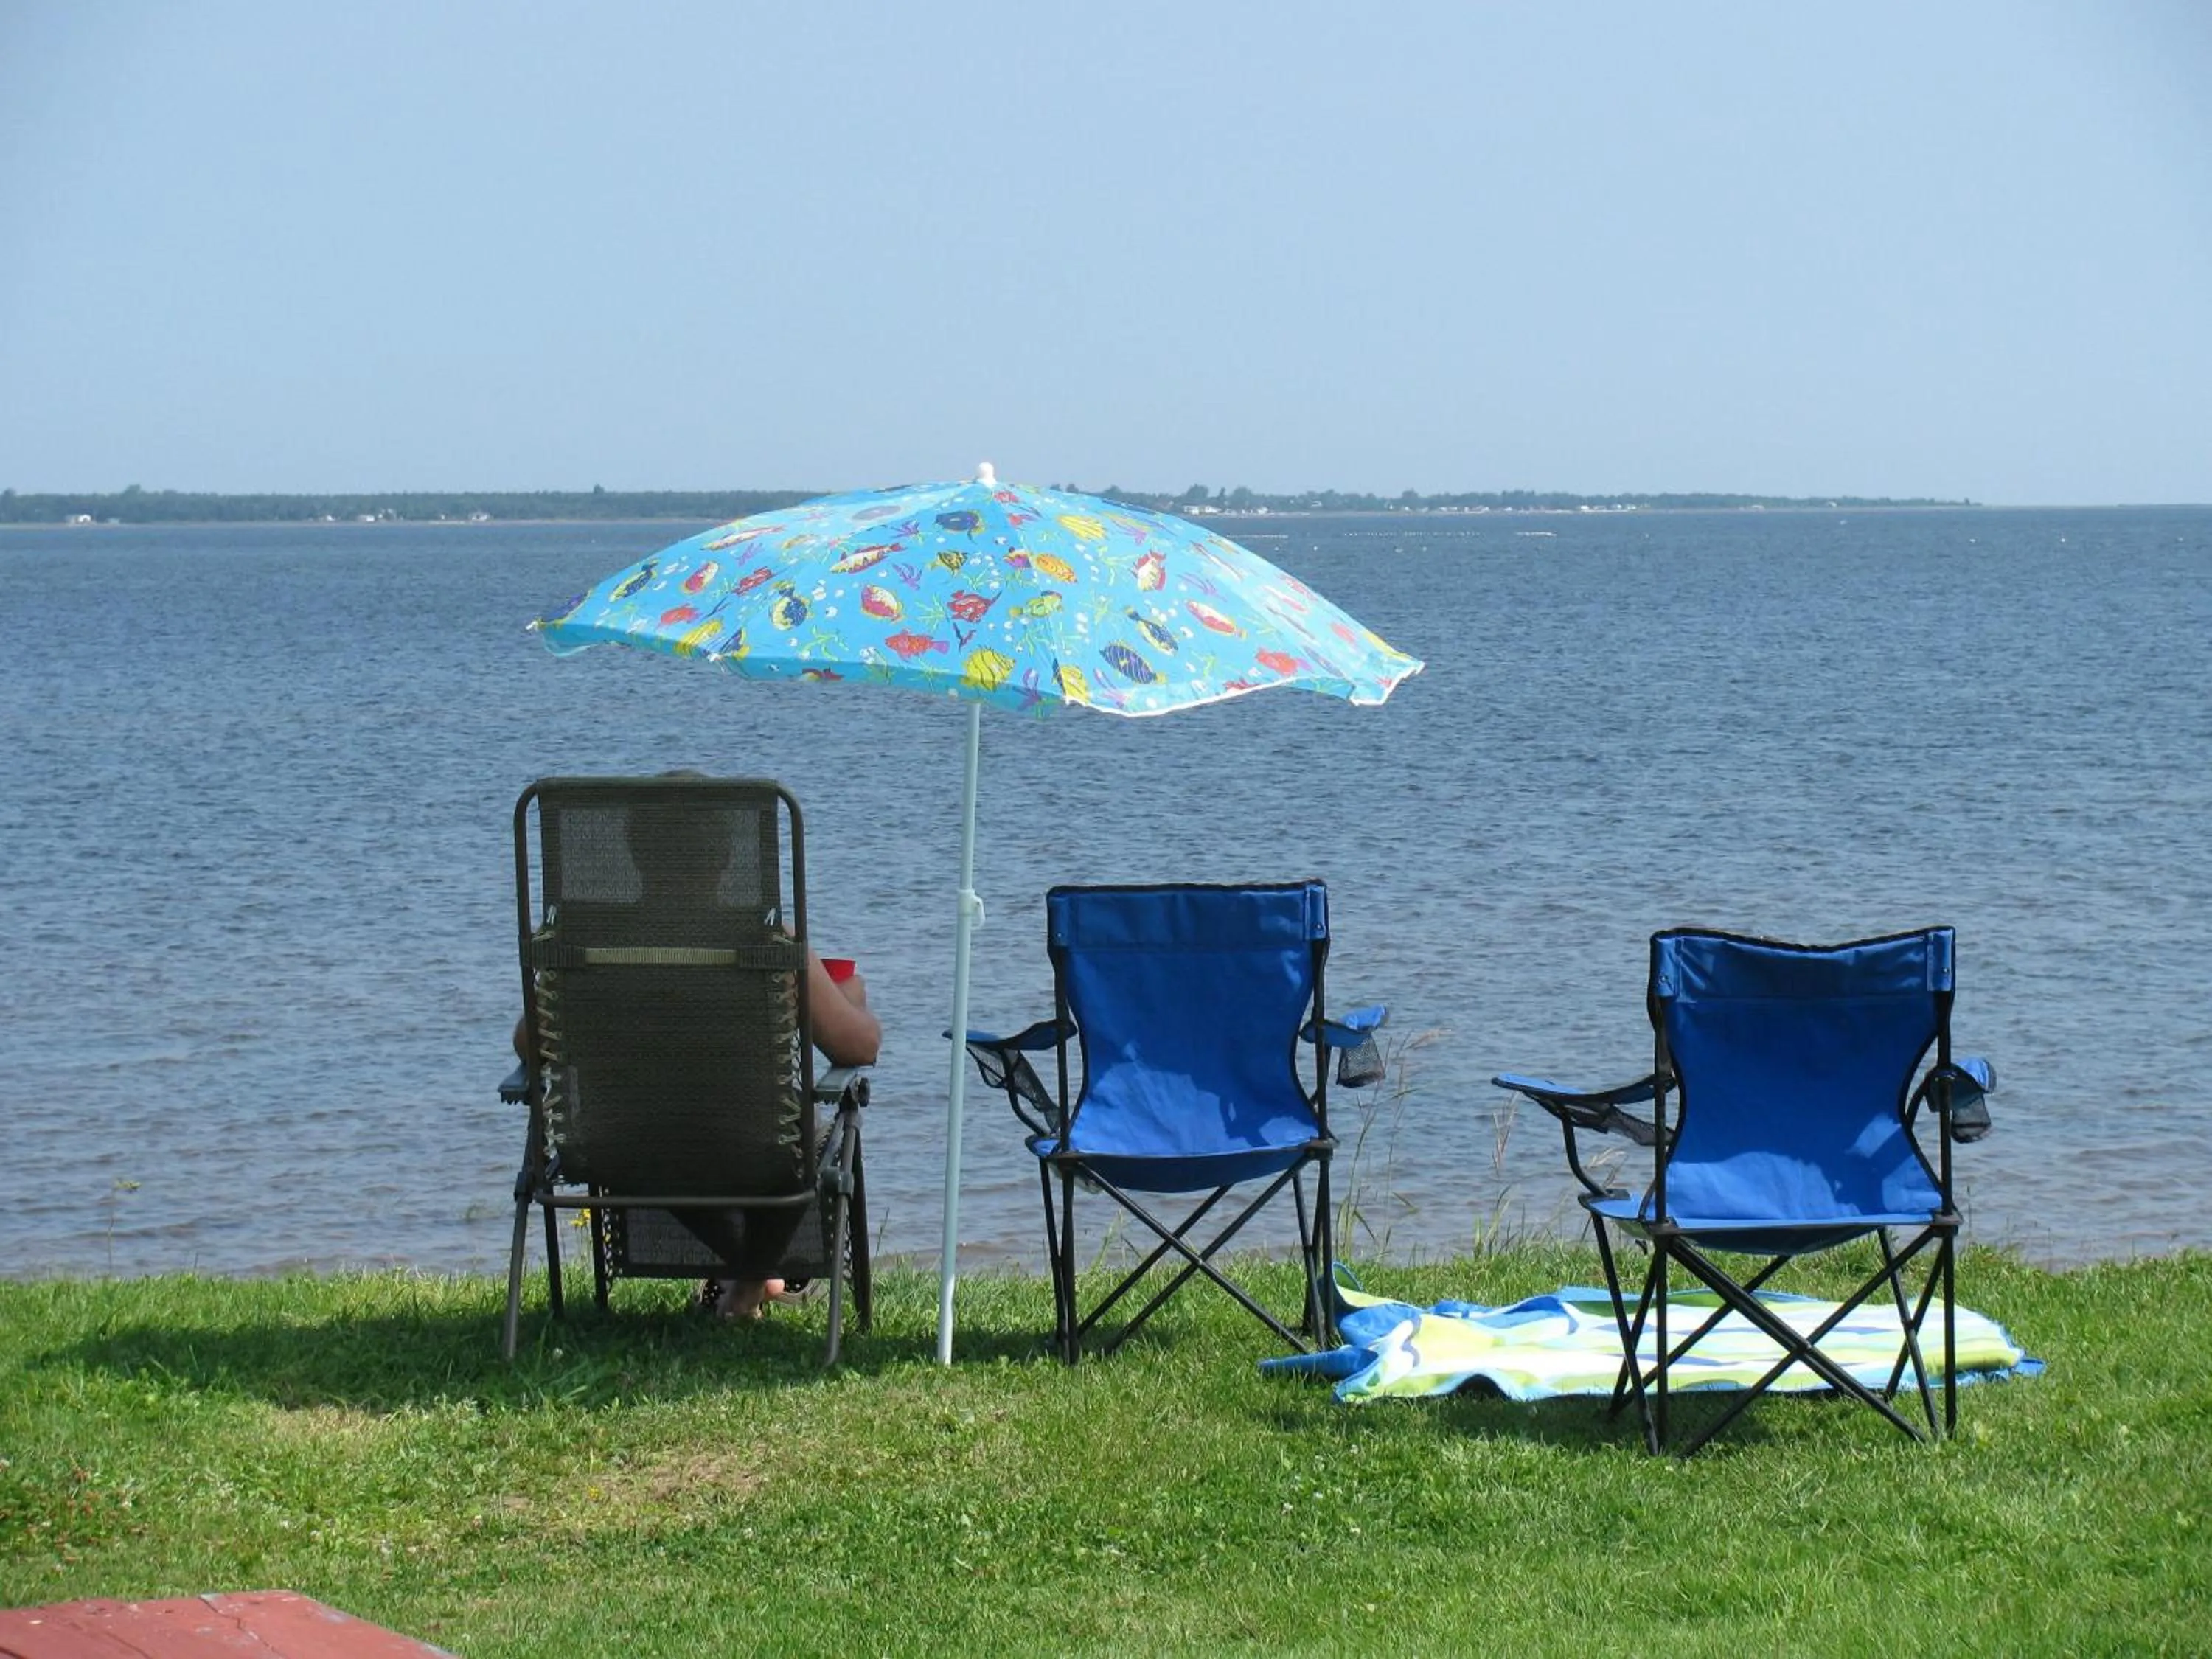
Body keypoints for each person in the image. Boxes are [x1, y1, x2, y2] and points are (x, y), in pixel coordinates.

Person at [515, 775, 882, 1323]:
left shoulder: (590, 946)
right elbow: (860, 1046)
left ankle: (745, 1277)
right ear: (729, 856)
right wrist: (849, 997)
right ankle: (749, 1283)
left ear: (634, 852)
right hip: (759, 1152)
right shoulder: (769, 946)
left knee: (667, 1137)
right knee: (804, 1140)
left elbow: (528, 1043)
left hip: (620, 1150)